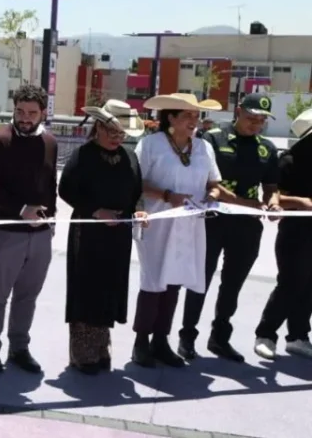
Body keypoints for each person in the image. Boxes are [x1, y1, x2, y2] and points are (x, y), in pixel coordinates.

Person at [179, 93, 281, 362]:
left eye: (261, 121)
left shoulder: (267, 149)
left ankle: (220, 338)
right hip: (212, 222)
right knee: (199, 279)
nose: (255, 124)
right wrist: (244, 201)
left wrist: (273, 204)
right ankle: (187, 337)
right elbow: (205, 180)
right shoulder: (212, 139)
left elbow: (271, 188)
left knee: (232, 284)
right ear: (238, 111)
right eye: (251, 118)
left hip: (247, 226)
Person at [132, 93, 222, 368]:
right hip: (157, 223)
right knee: (153, 280)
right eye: (187, 116)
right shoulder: (150, 145)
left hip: (189, 225)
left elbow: (213, 182)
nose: (194, 121)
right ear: (170, 118)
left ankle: (161, 340)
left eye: (196, 116)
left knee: (175, 280)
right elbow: (135, 181)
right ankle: (141, 342)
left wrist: (213, 195)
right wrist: (166, 194)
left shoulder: (204, 147)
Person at [59, 100, 149, 374]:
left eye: (121, 134)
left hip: (118, 237)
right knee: (87, 289)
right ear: (98, 127)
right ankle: (83, 354)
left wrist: (141, 211)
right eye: (112, 131)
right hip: (88, 234)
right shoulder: (83, 155)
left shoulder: (129, 157)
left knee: (110, 288)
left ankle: (101, 349)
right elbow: (67, 191)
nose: (116, 138)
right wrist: (97, 211)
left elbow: (137, 192)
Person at [0, 84, 57, 374]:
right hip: (5, 233)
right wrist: (21, 211)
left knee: (28, 296)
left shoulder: (49, 141)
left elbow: (51, 185)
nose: (25, 117)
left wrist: (51, 221)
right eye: (20, 111)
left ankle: (19, 348)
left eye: (32, 113)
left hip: (41, 235)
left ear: (43, 113)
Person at [254, 108, 312, 360]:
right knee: (290, 283)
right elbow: (275, 196)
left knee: (310, 286)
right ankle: (266, 334)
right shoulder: (290, 160)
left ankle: (298, 337)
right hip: (295, 231)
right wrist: (303, 202)